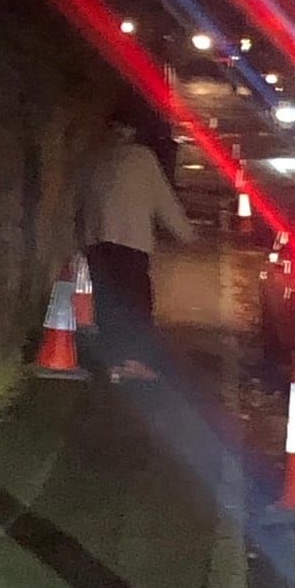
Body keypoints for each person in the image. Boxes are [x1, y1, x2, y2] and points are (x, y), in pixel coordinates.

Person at [76, 108, 196, 382]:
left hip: (97, 241)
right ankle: (134, 361)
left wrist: (82, 236)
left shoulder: (97, 156)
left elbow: (81, 199)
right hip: (130, 242)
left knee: (107, 304)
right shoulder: (142, 159)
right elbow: (164, 203)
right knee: (137, 304)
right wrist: (187, 235)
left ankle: (113, 363)